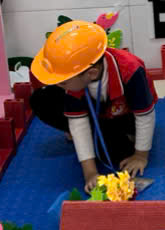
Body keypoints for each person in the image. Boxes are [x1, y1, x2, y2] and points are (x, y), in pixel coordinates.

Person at [30, 20, 157, 192]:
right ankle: (92, 134)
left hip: (124, 115)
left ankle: (119, 136)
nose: (59, 85)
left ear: (92, 73)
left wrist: (141, 155)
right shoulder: (78, 78)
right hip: (97, 110)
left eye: (63, 82)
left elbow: (144, 116)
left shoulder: (131, 71)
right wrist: (90, 172)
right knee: (41, 98)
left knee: (118, 154)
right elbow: (78, 123)